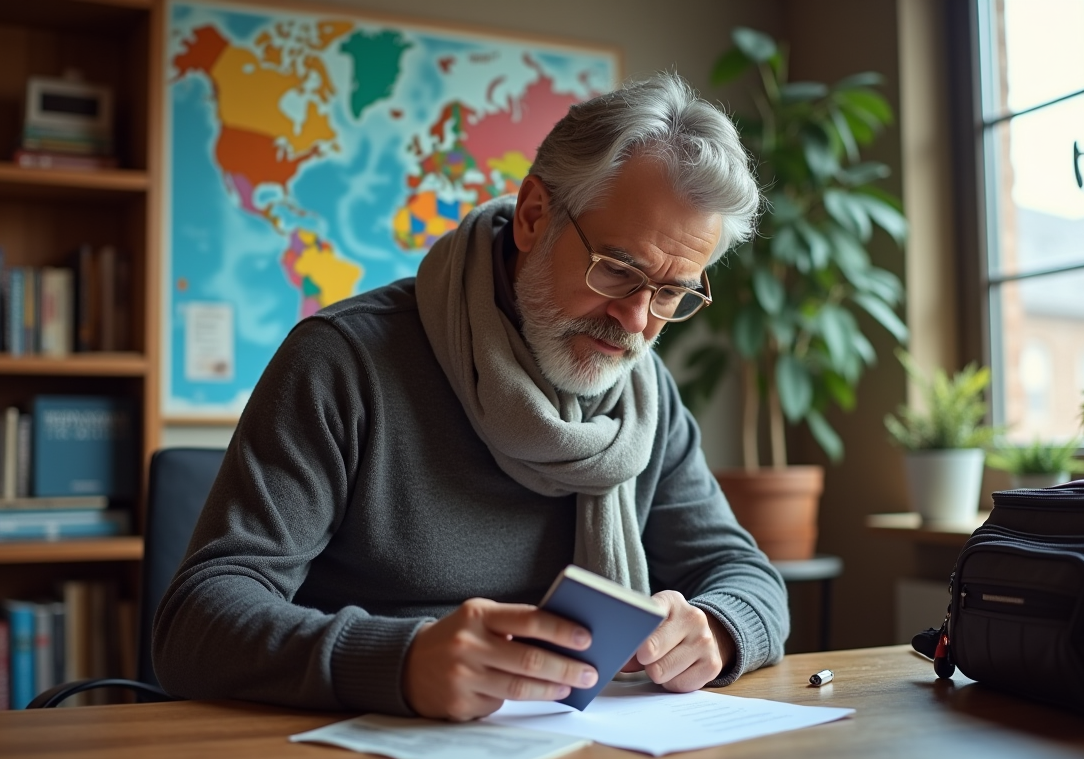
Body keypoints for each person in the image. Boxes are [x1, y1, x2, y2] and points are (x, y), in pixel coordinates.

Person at [153, 72, 789, 721]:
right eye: (618, 271)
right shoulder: (343, 361)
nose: (635, 321)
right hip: (363, 745)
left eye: (672, 292)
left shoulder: (643, 399)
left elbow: (746, 576)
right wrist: (400, 661)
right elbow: (196, 624)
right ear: (534, 216)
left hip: (579, 749)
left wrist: (716, 627)